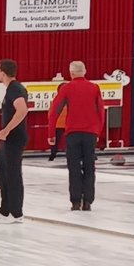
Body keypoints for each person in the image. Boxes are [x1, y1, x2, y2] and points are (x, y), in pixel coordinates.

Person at [47, 61, 106, 211]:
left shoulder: (66, 88)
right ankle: (88, 201)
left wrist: (51, 133)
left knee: (74, 168)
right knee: (89, 167)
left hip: (73, 134)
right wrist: (98, 132)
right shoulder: (94, 88)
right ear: (85, 71)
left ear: (71, 73)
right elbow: (101, 111)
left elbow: (54, 111)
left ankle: (75, 201)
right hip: (90, 133)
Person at [0, 59, 29, 223]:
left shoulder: (15, 89)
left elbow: (22, 110)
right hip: (9, 139)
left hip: (14, 138)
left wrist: (6, 130)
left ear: (3, 73)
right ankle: (5, 210)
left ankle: (16, 213)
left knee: (12, 175)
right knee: (4, 174)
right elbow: (13, 110)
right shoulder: (11, 90)